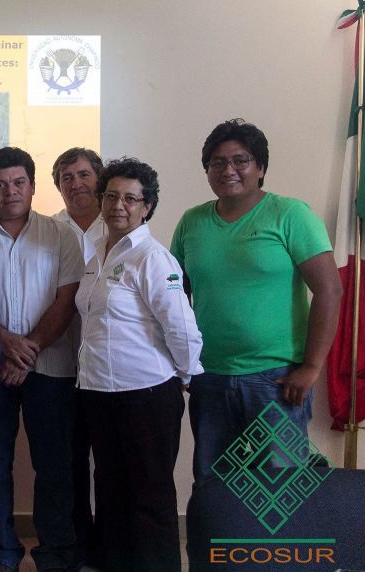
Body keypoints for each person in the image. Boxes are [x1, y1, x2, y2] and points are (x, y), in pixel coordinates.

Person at [170, 119, 341, 485]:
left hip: (277, 380)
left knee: (279, 492)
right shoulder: (192, 222)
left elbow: (329, 290)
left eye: (240, 160)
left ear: (260, 167)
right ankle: (219, 548)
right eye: (217, 162)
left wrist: (311, 367)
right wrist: (182, 359)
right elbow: (174, 296)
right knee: (215, 487)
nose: (228, 170)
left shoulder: (290, 215)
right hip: (209, 377)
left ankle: (277, 548)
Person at [75, 158, 203, 572]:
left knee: (150, 497)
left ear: (147, 207)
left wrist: (184, 375)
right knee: (110, 491)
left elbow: (182, 329)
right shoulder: (98, 254)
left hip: (146, 396)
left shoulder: (153, 258)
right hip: (98, 392)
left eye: (131, 198)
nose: (119, 206)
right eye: (111, 196)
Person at [0, 147, 83, 572]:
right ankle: (3, 553)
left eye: (17, 183)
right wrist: (6, 342)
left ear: (32, 186)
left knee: (55, 467)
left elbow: (66, 301)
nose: (9, 191)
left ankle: (56, 554)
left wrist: (25, 353)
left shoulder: (64, 236)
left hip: (51, 371)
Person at [50, 147, 105, 560]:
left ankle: (109, 546)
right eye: (66, 177)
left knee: (110, 464)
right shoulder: (49, 230)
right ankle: (79, 548)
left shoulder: (123, 223)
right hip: (61, 366)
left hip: (110, 371)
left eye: (83, 174)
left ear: (98, 178)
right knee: (68, 465)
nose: (76, 183)